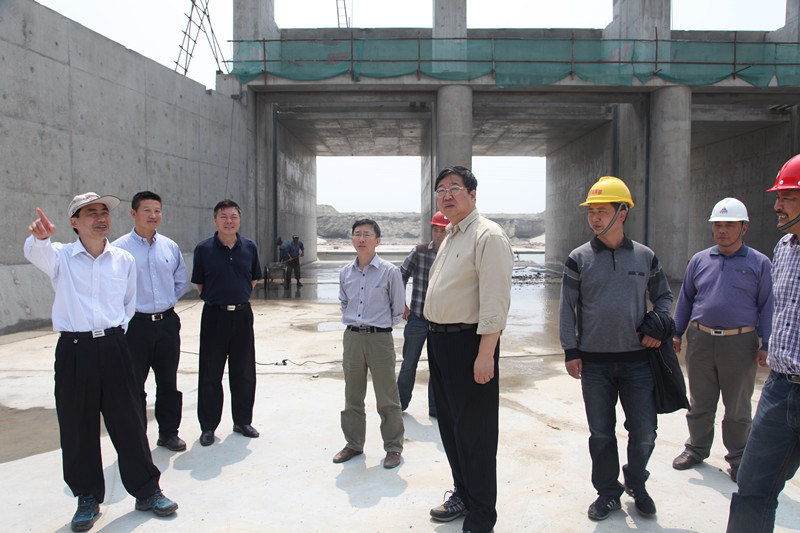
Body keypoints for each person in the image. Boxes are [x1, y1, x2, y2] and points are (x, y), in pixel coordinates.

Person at [24, 193, 178, 532]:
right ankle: (87, 498)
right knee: (77, 425)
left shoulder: (123, 259)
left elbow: (128, 304)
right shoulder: (61, 257)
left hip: (114, 346)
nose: (100, 217)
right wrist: (40, 238)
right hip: (74, 349)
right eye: (91, 212)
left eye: (104, 211)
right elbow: (35, 252)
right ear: (74, 222)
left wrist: (114, 337)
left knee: (129, 422)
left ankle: (147, 491)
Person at [559, 176, 672, 521]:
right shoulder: (578, 258)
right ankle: (608, 492)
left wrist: (659, 324)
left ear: (622, 213)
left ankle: (636, 482)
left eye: (602, 211)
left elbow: (664, 297)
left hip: (638, 363)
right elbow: (567, 308)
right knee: (601, 433)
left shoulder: (645, 257)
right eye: (591, 211)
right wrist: (570, 350)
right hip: (594, 366)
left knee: (644, 432)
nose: (594, 218)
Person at [424, 167, 514, 533]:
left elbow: (495, 301)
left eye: (454, 188)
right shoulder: (451, 235)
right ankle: (463, 494)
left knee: (476, 434)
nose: (446, 195)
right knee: (451, 428)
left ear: (473, 194)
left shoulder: (487, 236)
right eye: (440, 190)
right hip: (440, 342)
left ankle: (481, 516)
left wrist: (485, 353)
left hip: (469, 344)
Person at [671, 198, 772, 482]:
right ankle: (696, 448)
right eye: (717, 225)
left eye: (729, 225)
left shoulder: (759, 263)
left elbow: (767, 305)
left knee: (737, 406)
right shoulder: (700, 260)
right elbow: (686, 299)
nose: (722, 230)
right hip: (701, 339)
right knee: (700, 401)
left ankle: (739, 457)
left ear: (744, 228)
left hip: (740, 343)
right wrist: (676, 333)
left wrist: (766, 344)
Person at [727, 155, 800, 533]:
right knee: (752, 487)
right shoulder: (784, 248)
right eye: (778, 197)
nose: (777, 205)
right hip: (780, 388)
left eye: (788, 197)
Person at [112, 191, 189, 452]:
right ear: (133, 213)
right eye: (147, 210)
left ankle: (168, 433)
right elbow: (113, 288)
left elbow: (180, 281)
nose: (153, 215)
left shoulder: (170, 246)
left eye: (157, 210)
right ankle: (136, 439)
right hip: (136, 327)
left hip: (167, 324)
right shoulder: (119, 249)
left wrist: (166, 304)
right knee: (134, 385)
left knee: (168, 382)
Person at [333, 219, 405, 469]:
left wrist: (379, 326)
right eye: (357, 234)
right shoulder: (345, 272)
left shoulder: (390, 271)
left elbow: (398, 308)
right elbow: (344, 302)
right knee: (352, 394)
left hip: (379, 339)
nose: (361, 239)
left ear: (378, 240)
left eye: (367, 234)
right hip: (352, 337)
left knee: (387, 396)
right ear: (352, 239)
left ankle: (393, 447)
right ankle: (353, 443)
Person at [191, 199, 262, 446]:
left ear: (239, 220)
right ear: (215, 220)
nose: (228, 221)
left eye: (233, 216)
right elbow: (200, 284)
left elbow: (253, 279)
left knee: (244, 372)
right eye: (223, 216)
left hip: (242, 315)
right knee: (210, 373)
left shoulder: (250, 247)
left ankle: (242, 421)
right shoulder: (203, 249)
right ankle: (208, 427)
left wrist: (237, 296)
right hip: (214, 316)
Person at [396, 211, 449, 417]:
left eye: (443, 231)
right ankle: (399, 404)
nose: (439, 234)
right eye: (436, 230)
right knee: (409, 364)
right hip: (417, 319)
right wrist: (402, 305)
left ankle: (435, 408)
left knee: (438, 367)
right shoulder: (419, 252)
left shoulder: (454, 254)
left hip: (441, 322)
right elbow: (400, 277)